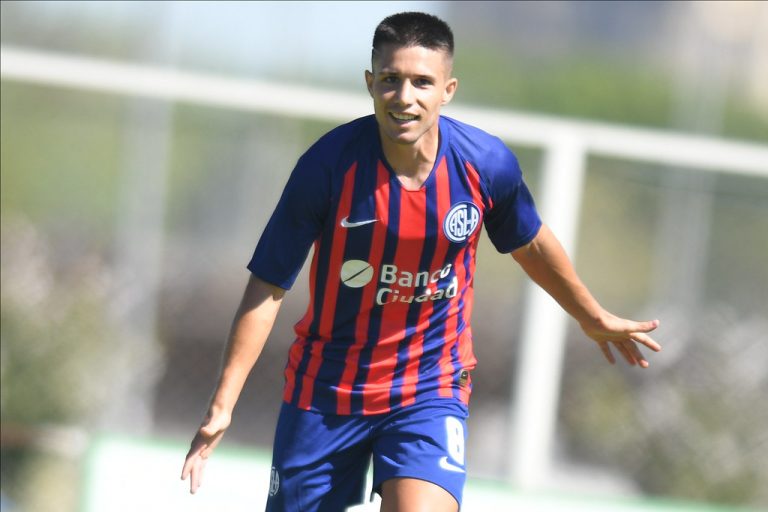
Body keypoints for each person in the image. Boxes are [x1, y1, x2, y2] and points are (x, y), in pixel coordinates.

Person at [181, 11, 661, 512]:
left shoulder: (484, 165)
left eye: (422, 82)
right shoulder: (327, 167)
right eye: (391, 80)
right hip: (327, 390)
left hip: (429, 388)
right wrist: (223, 403)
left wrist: (591, 316)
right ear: (370, 83)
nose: (405, 97)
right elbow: (269, 286)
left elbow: (532, 244)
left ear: (447, 89)